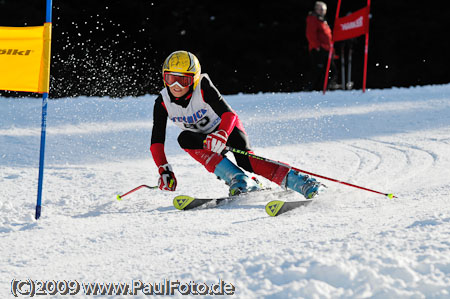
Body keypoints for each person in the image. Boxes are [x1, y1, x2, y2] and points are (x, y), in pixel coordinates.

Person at [150, 50, 321, 198]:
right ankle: (239, 180)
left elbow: (228, 114)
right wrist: (164, 170)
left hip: (227, 128)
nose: (176, 86)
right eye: (171, 78)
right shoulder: (163, 102)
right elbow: (156, 141)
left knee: (246, 160)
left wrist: (222, 134)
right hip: (205, 139)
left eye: (184, 80)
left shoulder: (203, 87)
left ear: (194, 79)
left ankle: (300, 181)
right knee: (185, 138)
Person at [305, 1, 339, 91]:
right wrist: (317, 47)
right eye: (320, 9)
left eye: (324, 10)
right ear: (316, 9)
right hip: (319, 49)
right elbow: (310, 34)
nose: (322, 11)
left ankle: (325, 88)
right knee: (318, 70)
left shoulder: (322, 20)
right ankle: (311, 88)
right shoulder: (313, 19)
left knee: (329, 70)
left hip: (327, 49)